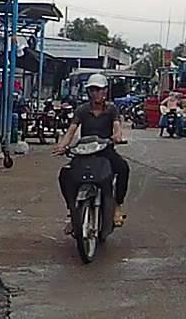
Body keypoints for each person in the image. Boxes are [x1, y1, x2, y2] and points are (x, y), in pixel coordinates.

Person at [54, 73, 130, 230]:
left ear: (105, 91)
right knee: (65, 174)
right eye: (92, 90)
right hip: (84, 151)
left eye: (98, 90)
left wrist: (117, 136)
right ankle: (73, 212)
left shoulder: (111, 109)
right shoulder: (82, 110)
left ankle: (117, 206)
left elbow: (117, 127)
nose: (95, 93)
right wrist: (63, 145)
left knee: (123, 168)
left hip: (105, 150)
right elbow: (71, 130)